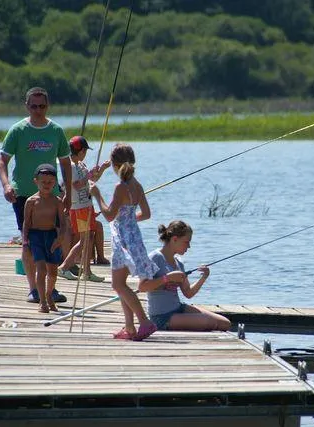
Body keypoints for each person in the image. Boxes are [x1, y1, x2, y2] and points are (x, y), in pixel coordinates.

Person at [0, 87, 72, 304]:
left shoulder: (56, 131)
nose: (38, 110)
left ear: (47, 106)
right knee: (28, 242)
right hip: (24, 196)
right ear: (26, 106)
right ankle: (33, 290)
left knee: (55, 240)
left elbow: (66, 164)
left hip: (52, 196)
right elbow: (2, 161)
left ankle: (51, 289)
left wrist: (67, 192)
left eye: (42, 106)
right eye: (33, 106)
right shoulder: (18, 130)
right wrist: (6, 185)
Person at [88, 144, 159, 341]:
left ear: (114, 165)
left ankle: (144, 322)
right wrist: (127, 219)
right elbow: (146, 214)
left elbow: (109, 215)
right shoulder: (137, 185)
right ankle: (130, 328)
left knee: (119, 285)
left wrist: (97, 195)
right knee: (121, 285)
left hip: (122, 240)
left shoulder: (120, 187)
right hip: (134, 237)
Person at [141, 220, 231, 332]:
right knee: (208, 322)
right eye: (186, 242)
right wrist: (167, 278)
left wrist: (203, 277)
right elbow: (143, 287)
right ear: (174, 239)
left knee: (225, 324)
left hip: (178, 308)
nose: (189, 246)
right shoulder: (155, 257)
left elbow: (188, 293)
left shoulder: (179, 262)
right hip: (161, 317)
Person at [57, 136, 110, 282]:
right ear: (79, 151)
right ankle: (64, 267)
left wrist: (102, 170)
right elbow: (76, 185)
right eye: (85, 150)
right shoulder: (71, 167)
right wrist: (89, 174)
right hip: (78, 207)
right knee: (84, 239)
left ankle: (86, 272)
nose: (86, 153)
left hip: (87, 206)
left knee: (89, 237)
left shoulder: (81, 165)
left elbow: (91, 181)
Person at [22, 164, 66, 313]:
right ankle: (42, 302)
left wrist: (60, 239)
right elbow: (26, 223)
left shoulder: (57, 201)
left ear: (55, 182)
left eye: (50, 182)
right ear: (36, 181)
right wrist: (25, 243)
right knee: (41, 269)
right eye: (43, 182)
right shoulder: (31, 201)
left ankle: (49, 296)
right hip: (36, 237)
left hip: (51, 237)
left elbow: (63, 223)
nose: (47, 185)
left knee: (53, 273)